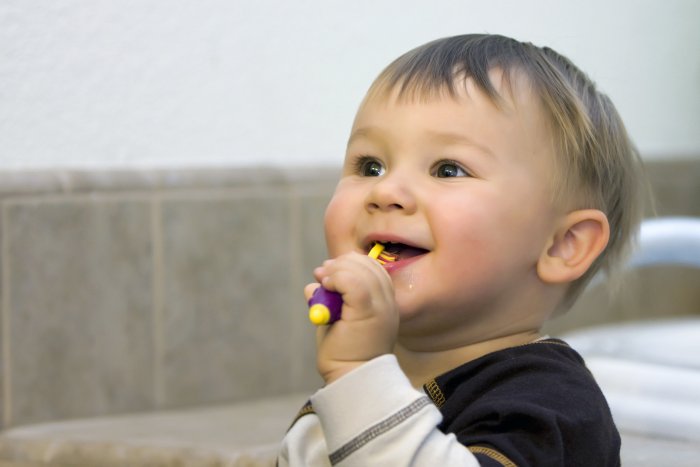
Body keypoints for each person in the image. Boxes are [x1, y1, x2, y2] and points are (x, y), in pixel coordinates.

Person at [278, 33, 645, 466]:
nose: (386, 190)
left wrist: (357, 376)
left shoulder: (549, 407)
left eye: (448, 169)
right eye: (369, 165)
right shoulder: (363, 380)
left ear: (563, 245)